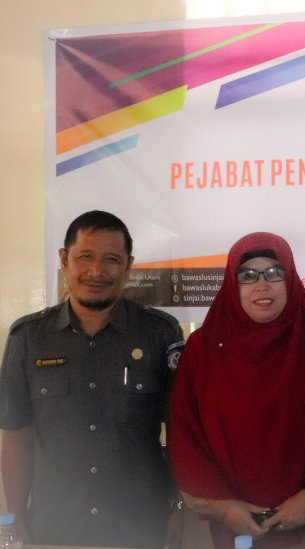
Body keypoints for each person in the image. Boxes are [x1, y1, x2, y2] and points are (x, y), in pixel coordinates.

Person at [0, 210, 185, 547]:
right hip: (56, 524)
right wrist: (14, 516)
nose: (97, 271)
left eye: (111, 259)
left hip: (140, 523)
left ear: (128, 266)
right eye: (85, 257)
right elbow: (16, 435)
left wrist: (178, 506)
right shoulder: (28, 336)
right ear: (64, 260)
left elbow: (180, 430)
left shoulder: (159, 333)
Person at [168, 232, 305, 549]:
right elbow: (184, 432)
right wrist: (224, 508)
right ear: (232, 284)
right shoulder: (202, 349)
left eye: (274, 273)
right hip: (220, 525)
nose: (262, 285)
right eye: (247, 275)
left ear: (290, 280)